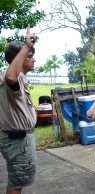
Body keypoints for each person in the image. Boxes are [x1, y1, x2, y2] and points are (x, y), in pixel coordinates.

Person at [0, 26, 38, 194]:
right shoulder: (10, 77)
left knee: (19, 180)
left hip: (21, 138)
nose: (34, 59)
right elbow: (10, 78)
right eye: (30, 56)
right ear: (19, 58)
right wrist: (25, 46)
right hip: (18, 140)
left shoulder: (20, 78)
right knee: (16, 181)